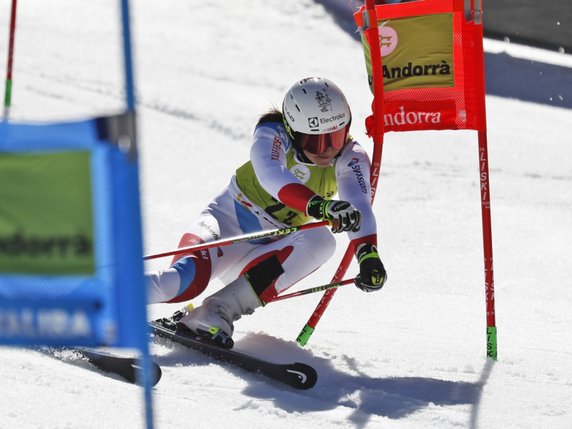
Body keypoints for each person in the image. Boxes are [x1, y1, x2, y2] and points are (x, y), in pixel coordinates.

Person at [146, 77, 387, 348]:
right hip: (227, 224)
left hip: (267, 253)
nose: (328, 150)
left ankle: (216, 311)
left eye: (336, 136)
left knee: (321, 240)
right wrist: (320, 205)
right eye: (316, 142)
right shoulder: (272, 133)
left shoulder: (350, 155)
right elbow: (272, 176)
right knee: (182, 283)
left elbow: (358, 204)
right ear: (294, 131)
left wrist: (368, 254)